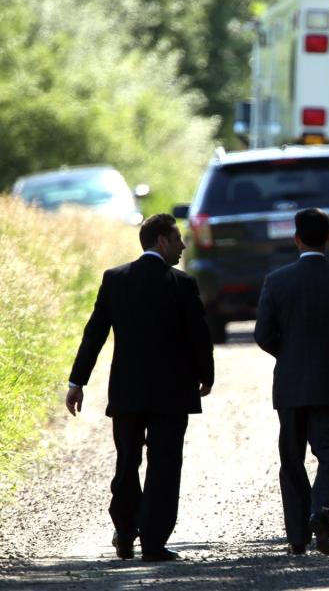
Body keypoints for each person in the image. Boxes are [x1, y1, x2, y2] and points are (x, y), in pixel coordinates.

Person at [65, 213, 214, 562]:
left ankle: (125, 530)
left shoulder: (116, 279)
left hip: (127, 392)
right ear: (161, 241)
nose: (182, 246)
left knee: (127, 461)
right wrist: (206, 375)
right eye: (177, 239)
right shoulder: (182, 283)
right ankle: (153, 540)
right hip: (172, 394)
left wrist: (78, 381)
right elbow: (199, 336)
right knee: (164, 466)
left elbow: (95, 333)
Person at [254, 208, 329, 556]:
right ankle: (321, 511)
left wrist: (286, 354)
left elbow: (263, 334)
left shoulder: (276, 281)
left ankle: (296, 538)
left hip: (290, 384)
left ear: (297, 238)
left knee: (292, 460)